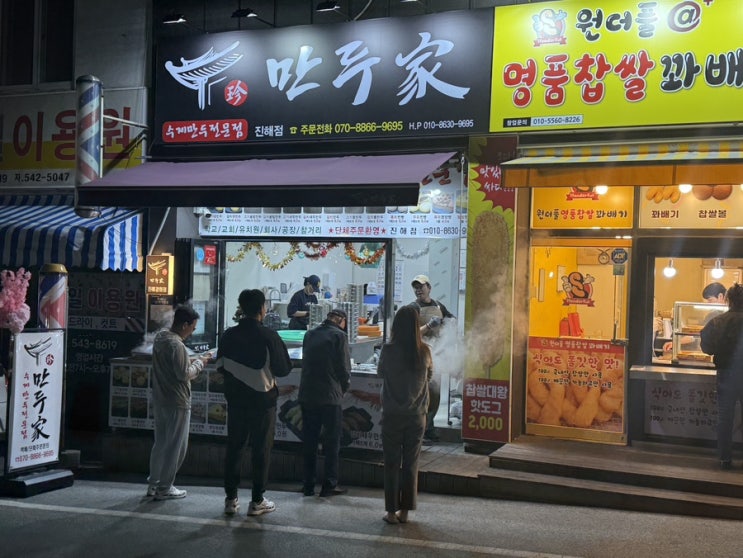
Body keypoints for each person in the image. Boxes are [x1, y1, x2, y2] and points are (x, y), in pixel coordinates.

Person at [217, 289, 293, 516]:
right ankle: (257, 500)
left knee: (234, 447)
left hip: (236, 400)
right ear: (262, 309)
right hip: (263, 401)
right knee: (261, 450)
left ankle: (231, 499)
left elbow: (220, 365)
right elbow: (283, 368)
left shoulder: (228, 335)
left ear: (241, 307)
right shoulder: (269, 336)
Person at [147, 305, 210, 500]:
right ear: (184, 325)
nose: (192, 332)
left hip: (160, 399)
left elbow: (175, 364)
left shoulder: (161, 338)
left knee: (160, 443)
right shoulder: (177, 345)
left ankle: (153, 484)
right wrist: (200, 362)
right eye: (192, 327)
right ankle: (165, 487)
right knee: (176, 446)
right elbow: (184, 374)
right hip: (177, 401)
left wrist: (191, 358)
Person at [377, 305, 433, 525]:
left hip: (392, 414)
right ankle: (406, 512)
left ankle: (391, 512)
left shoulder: (388, 350)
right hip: (417, 416)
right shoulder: (425, 351)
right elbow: (430, 377)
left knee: (391, 463)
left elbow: (380, 373)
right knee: (410, 464)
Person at [298, 308, 351, 497]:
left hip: (307, 394)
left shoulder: (310, 334)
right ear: (342, 321)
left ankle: (308, 485)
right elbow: (343, 368)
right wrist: (344, 388)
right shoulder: (339, 336)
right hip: (330, 396)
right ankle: (329, 485)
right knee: (332, 442)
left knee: (309, 441)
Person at [700, 283, 743, 470]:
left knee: (725, 417)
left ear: (728, 299)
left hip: (726, 374)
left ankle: (725, 458)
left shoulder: (718, 321)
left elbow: (707, 348)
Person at [407, 274, 455, 443]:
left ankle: (429, 427)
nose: (418, 290)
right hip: (421, 355)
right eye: (415, 287)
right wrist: (428, 326)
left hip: (437, 355)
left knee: (435, 394)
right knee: (421, 394)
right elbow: (410, 333)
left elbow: (450, 319)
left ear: (429, 287)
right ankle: (418, 429)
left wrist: (450, 324)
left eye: (421, 286)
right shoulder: (412, 308)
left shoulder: (438, 305)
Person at [663, 282, 727, 353]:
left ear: (720, 296)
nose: (708, 303)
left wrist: (674, 343)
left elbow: (696, 335)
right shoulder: (714, 315)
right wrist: (674, 343)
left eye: (710, 300)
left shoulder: (716, 315)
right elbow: (696, 335)